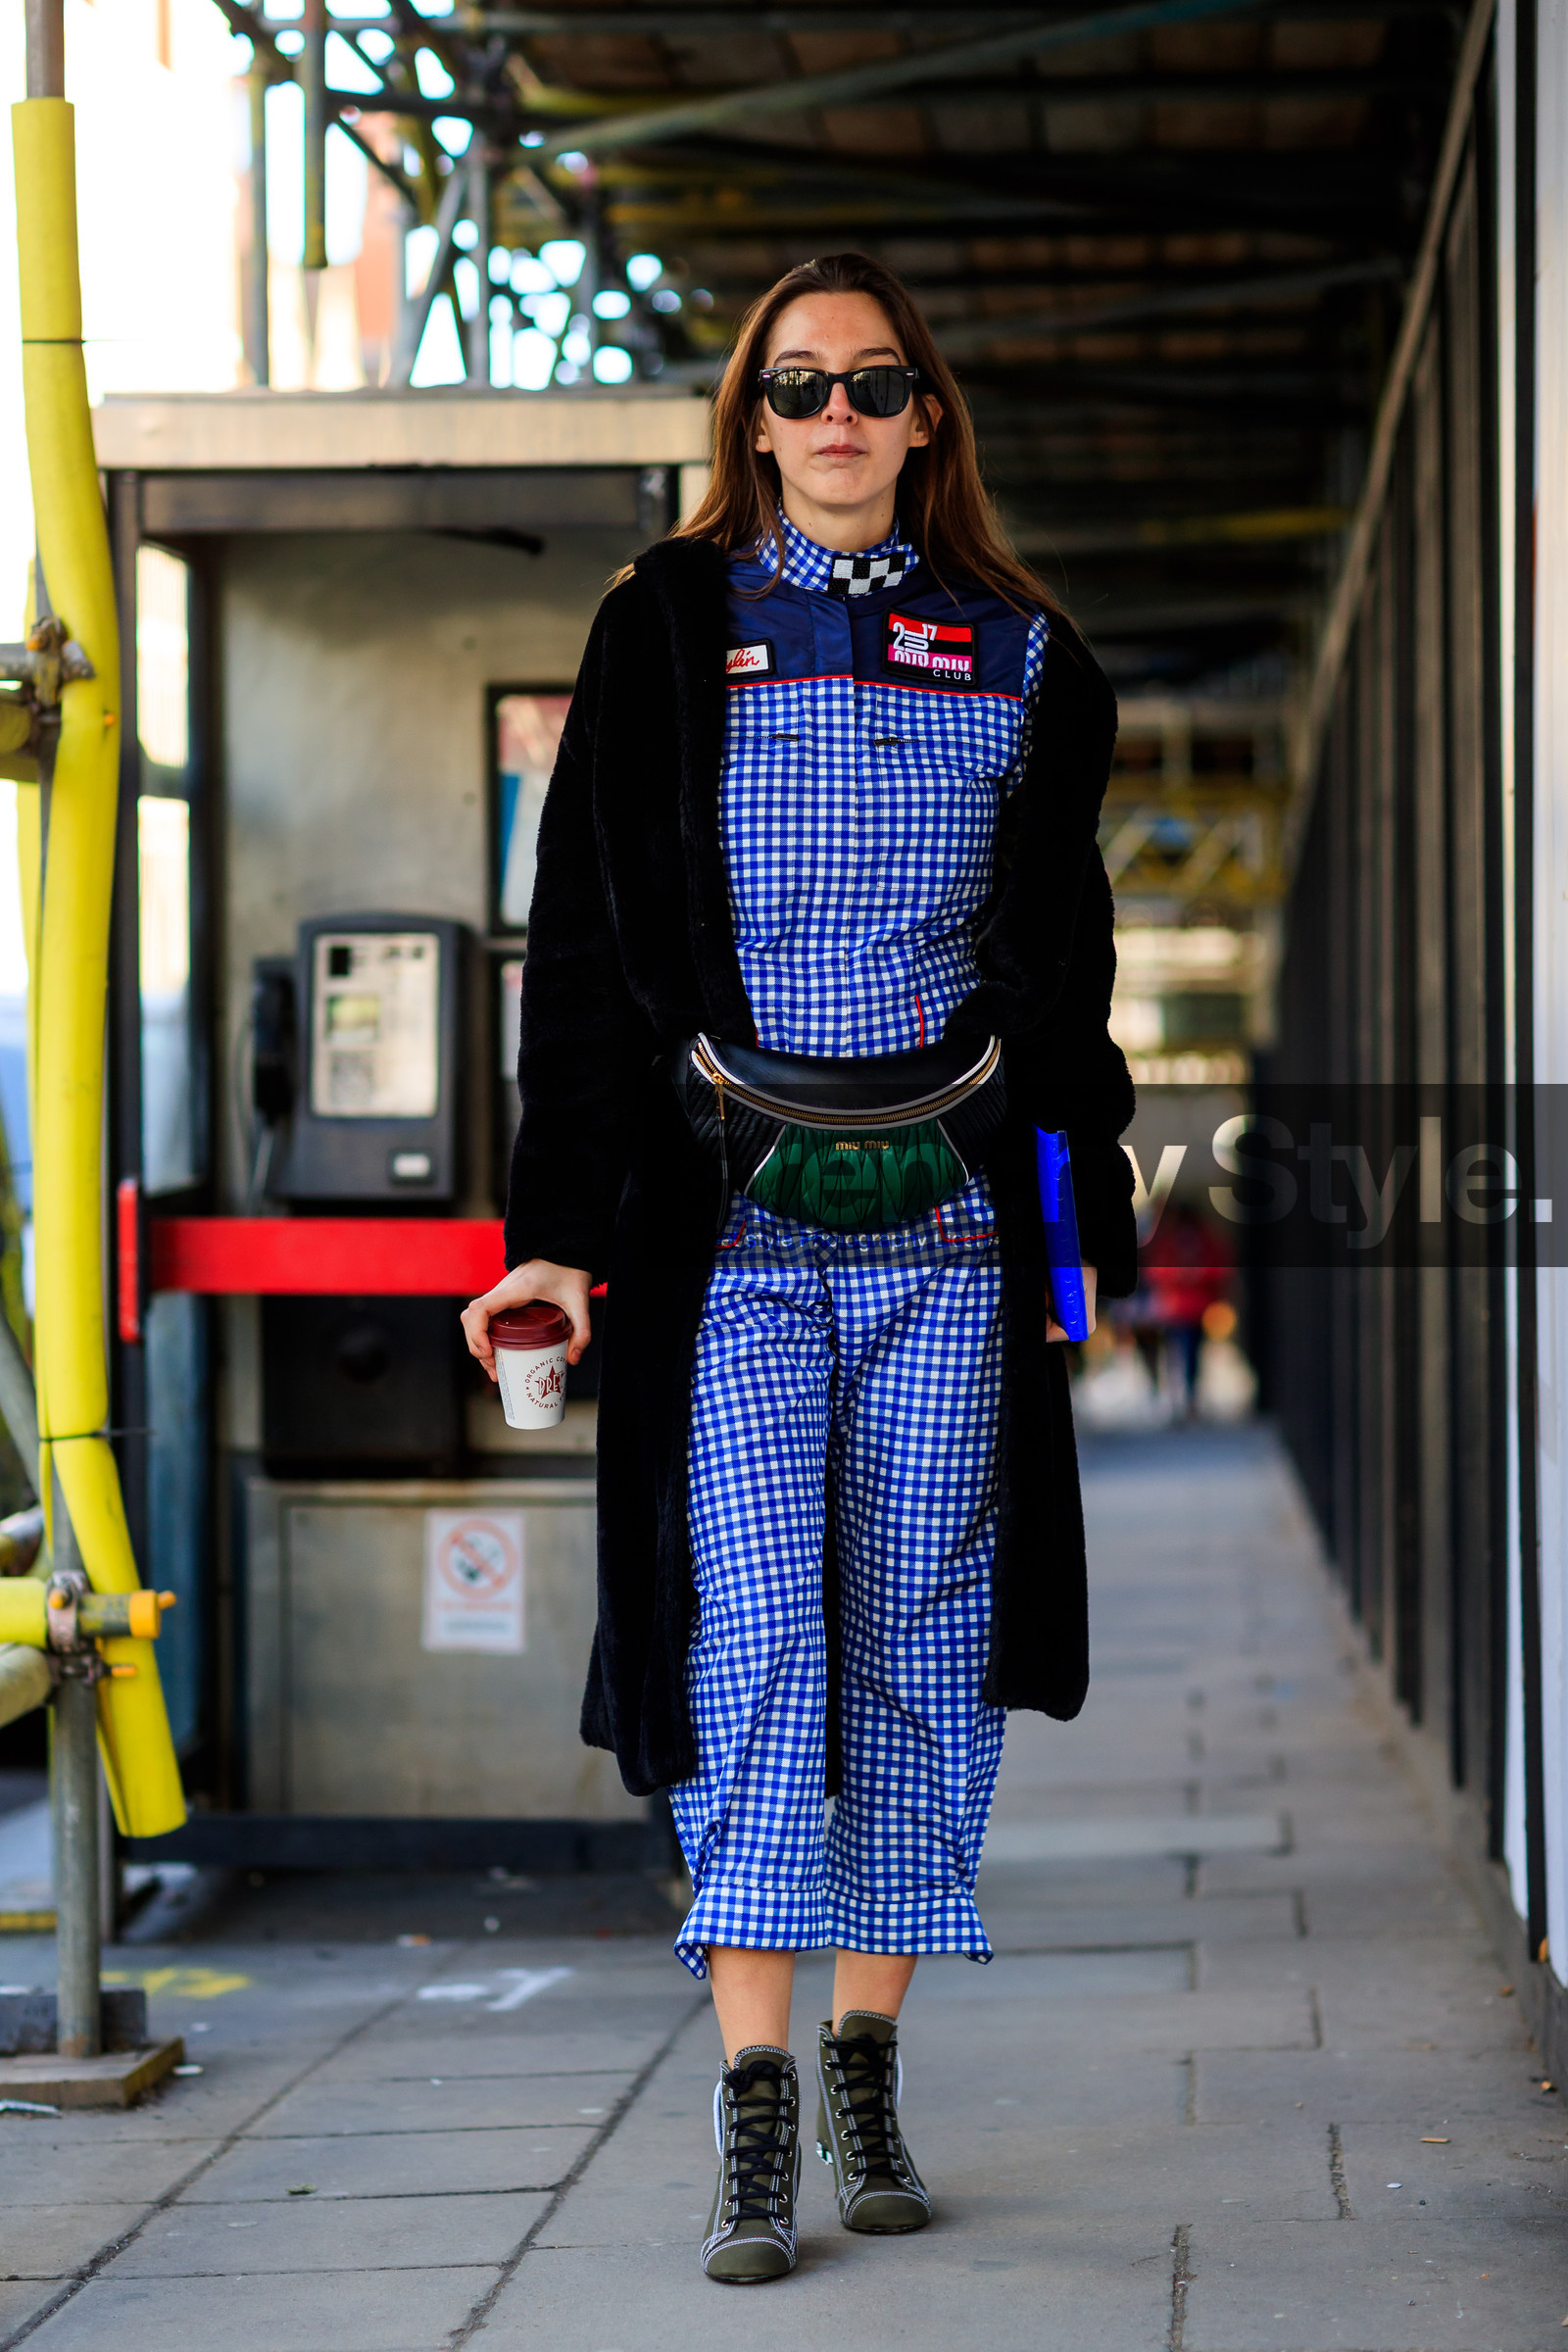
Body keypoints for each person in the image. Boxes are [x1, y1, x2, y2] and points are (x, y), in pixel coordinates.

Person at [462, 252, 1137, 2286]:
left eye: (869, 386)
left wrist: (1070, 1253)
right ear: (744, 421)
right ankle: (751, 2103)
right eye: (792, 389)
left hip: (944, 1232)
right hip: (723, 1242)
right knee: (751, 1632)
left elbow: (1069, 996)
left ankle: (866, 2055)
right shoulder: (660, 632)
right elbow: (577, 972)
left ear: (927, 414)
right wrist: (556, 1246)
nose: (831, 419)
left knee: (916, 1636)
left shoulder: (1026, 656)